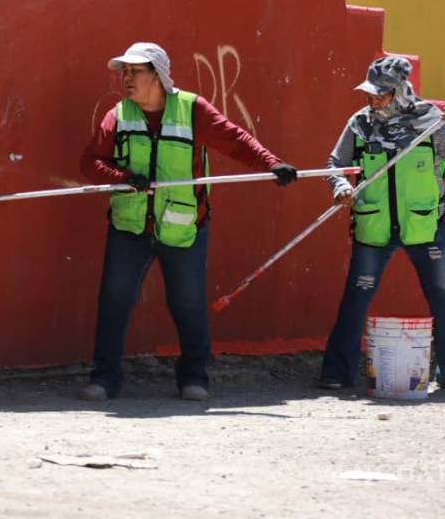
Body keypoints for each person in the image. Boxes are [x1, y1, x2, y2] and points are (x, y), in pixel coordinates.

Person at [78, 42, 298, 402]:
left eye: (135, 71)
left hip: (184, 226)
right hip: (129, 226)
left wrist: (272, 164)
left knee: (188, 305)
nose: (126, 78)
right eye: (124, 72)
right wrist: (122, 177)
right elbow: (90, 162)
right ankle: (105, 378)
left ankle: (195, 376)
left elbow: (235, 140)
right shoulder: (117, 115)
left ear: (158, 75)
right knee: (114, 303)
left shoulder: (192, 109)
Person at [318, 55, 445, 391]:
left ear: (401, 91)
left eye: (381, 94)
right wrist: (340, 185)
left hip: (426, 225)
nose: (373, 100)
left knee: (442, 297)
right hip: (373, 225)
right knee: (356, 297)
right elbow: (335, 163)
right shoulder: (359, 124)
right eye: (370, 94)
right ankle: (337, 372)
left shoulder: (432, 122)